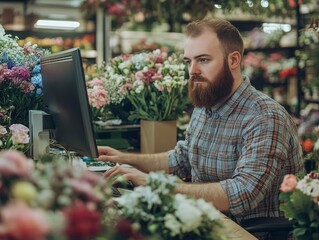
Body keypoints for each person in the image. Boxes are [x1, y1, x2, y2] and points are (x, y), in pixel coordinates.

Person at [97, 17, 304, 238]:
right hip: (206, 222)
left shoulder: (264, 117)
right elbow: (182, 158)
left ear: (234, 60)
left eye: (203, 60)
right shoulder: (206, 105)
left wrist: (157, 186)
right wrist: (124, 159)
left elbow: (242, 194)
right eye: (189, 61)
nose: (193, 71)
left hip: (248, 233)